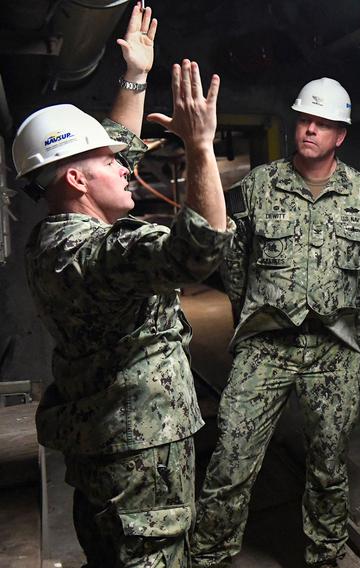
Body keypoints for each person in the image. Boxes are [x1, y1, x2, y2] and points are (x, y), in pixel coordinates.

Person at [14, 4, 230, 566]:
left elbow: (115, 141)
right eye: (112, 163)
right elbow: (199, 249)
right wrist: (201, 146)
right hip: (140, 460)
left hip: (110, 447)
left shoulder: (55, 239)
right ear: (78, 179)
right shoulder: (94, 252)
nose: (128, 166)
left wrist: (134, 74)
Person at [191, 77, 360, 568]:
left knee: (328, 466)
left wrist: (340, 317)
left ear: (340, 134)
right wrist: (259, 315)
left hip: (333, 349)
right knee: (231, 461)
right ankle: (211, 556)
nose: (310, 129)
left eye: (323, 123)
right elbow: (234, 269)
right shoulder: (257, 188)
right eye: (304, 119)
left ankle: (325, 556)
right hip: (266, 346)